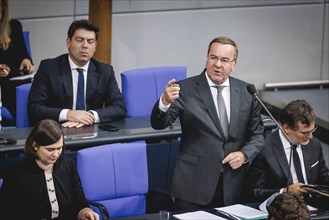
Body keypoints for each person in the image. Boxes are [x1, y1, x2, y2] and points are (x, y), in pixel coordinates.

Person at [150, 36, 265, 210]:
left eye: (225, 60)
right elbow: (159, 124)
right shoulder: (185, 89)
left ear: (233, 65)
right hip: (193, 186)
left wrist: (244, 155)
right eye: (213, 57)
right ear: (207, 58)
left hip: (233, 186)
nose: (218, 64)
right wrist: (164, 102)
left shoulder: (246, 92)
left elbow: (258, 134)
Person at [28, 19, 126, 128]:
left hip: (92, 129)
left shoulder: (105, 71)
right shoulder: (49, 68)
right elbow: (34, 108)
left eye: (90, 41)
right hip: (58, 130)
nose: (85, 45)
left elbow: (119, 107)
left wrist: (90, 116)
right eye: (79, 40)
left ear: (95, 46)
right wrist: (68, 114)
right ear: (68, 42)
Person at [0, 119, 99, 220]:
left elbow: (78, 196)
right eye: (50, 149)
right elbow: (7, 213)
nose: (56, 154)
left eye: (59, 148)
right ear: (35, 146)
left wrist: (84, 211)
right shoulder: (16, 174)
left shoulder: (67, 165)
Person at [247, 100, 329, 208]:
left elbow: (324, 179)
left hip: (315, 208)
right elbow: (253, 192)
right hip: (283, 210)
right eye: (304, 133)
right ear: (286, 128)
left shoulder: (314, 145)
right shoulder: (263, 149)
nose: (310, 137)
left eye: (312, 130)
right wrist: (285, 191)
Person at [0, 0, 35, 119]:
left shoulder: (14, 26)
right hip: (4, 85)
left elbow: (24, 56)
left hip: (18, 78)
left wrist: (27, 61)